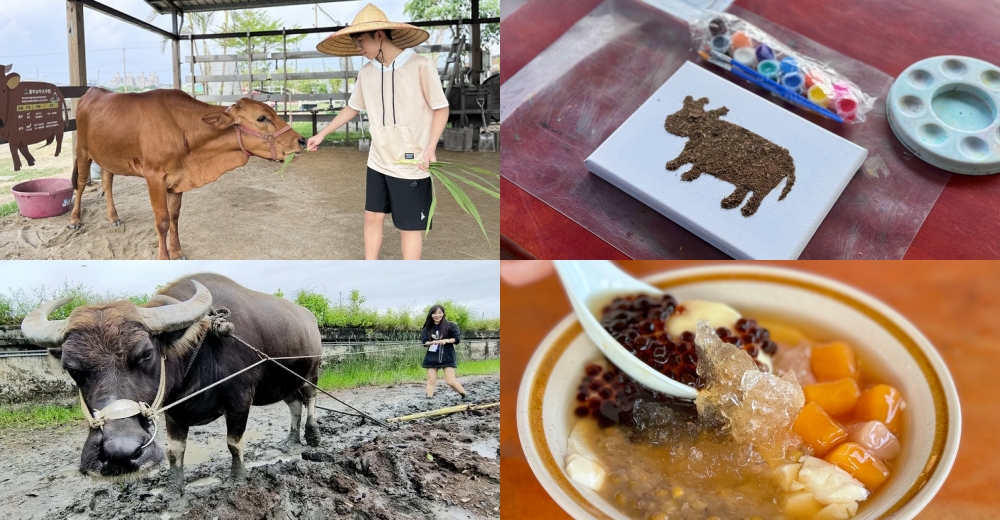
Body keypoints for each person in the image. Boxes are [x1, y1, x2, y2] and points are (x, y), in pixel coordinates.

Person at [309, 3, 450, 260]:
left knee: (408, 227)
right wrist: (323, 133)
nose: (358, 48)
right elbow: (353, 108)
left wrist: (430, 148)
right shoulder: (366, 72)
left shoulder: (420, 65)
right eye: (354, 43)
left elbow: (441, 109)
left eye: (361, 41)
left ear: (380, 35)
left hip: (410, 160)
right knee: (372, 216)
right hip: (378, 159)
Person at [420, 304, 467, 399]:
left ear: (443, 313)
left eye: (439, 313)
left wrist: (447, 340)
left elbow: (457, 339)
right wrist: (431, 343)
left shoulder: (451, 325)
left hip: (447, 356)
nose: (437, 315)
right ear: (431, 315)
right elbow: (424, 342)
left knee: (450, 381)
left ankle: (464, 395)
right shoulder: (427, 328)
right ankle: (429, 399)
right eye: (434, 313)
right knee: (431, 380)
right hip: (432, 357)